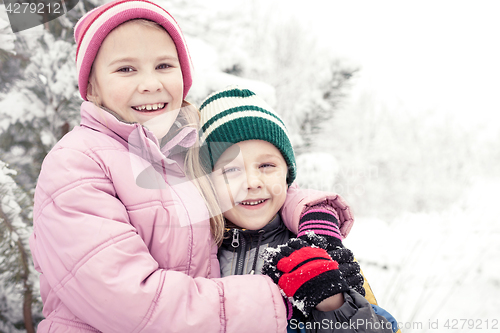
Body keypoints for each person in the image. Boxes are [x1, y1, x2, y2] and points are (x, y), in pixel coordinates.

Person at [29, 1, 367, 332]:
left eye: (164, 66)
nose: (150, 83)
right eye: (125, 69)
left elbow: (256, 181)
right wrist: (283, 295)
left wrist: (316, 221)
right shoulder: (77, 162)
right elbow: (130, 301)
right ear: (91, 87)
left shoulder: (180, 154)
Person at [199, 86, 399, 333]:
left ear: (287, 175)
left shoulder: (320, 250)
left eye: (266, 165)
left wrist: (334, 304)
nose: (252, 182)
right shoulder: (191, 254)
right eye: (231, 170)